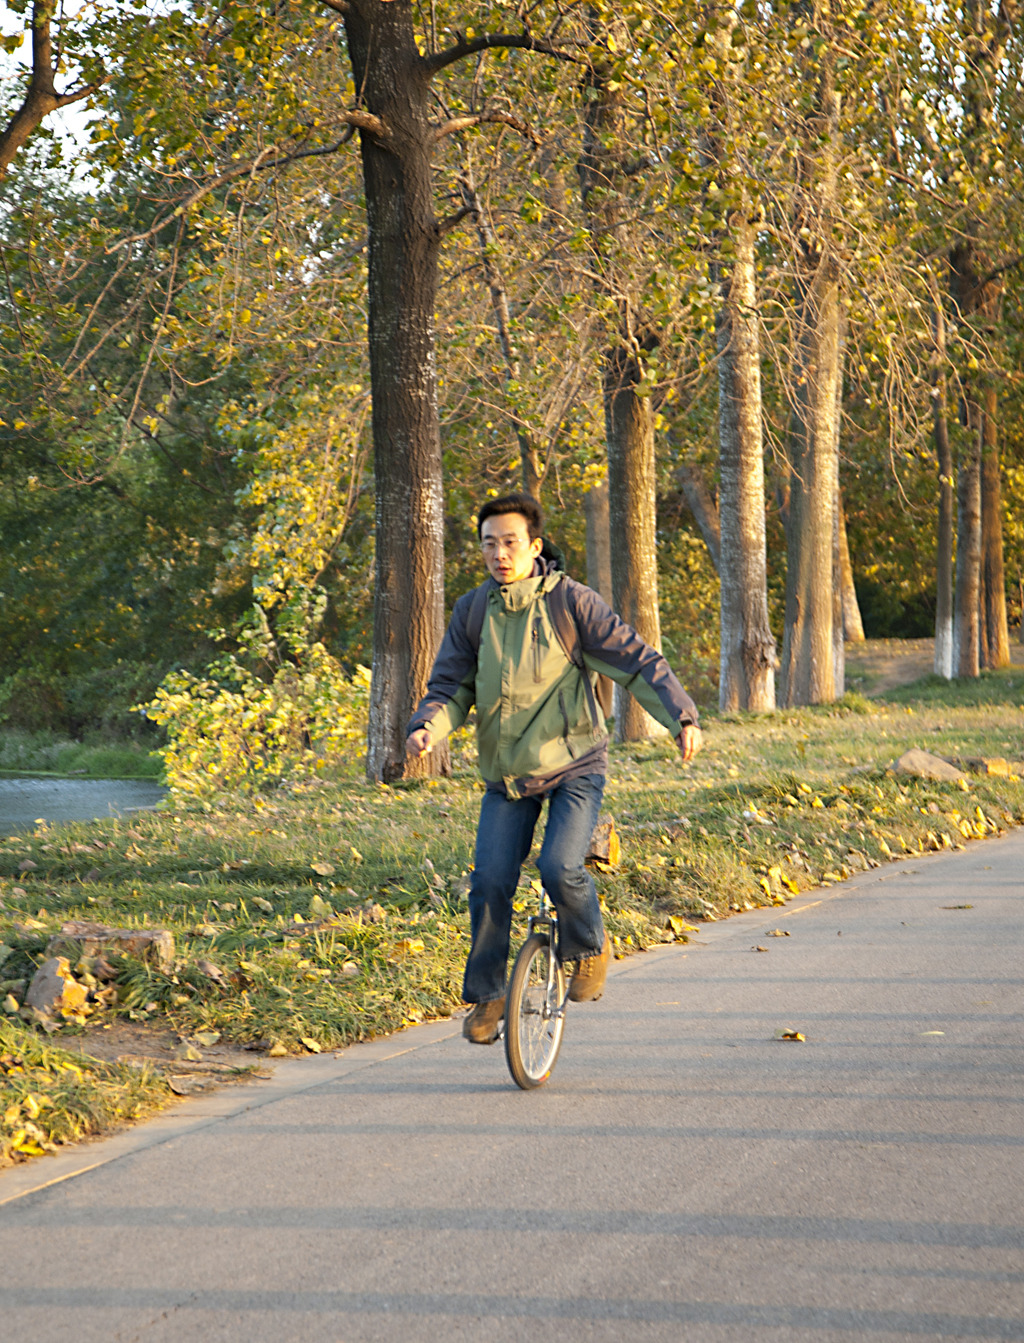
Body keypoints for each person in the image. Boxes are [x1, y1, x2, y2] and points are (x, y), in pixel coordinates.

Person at [406, 492, 702, 1044]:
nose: (499, 553)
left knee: (559, 866)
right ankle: (490, 994)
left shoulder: (571, 603)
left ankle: (587, 946)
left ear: (534, 546)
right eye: (489, 543)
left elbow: (637, 660)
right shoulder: (473, 612)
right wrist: (427, 727)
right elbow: (451, 686)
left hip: (575, 765)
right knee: (490, 882)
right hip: (508, 774)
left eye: (511, 542)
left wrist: (681, 718)